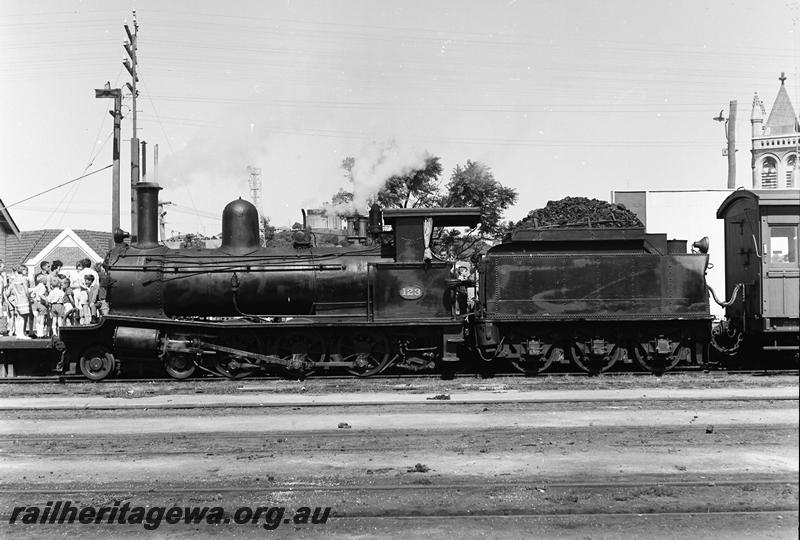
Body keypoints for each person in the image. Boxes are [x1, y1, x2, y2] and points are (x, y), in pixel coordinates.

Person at [7, 266, 32, 339]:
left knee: (18, 318)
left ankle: (18, 334)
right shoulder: (23, 279)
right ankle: (21, 334)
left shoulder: (14, 280)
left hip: (17, 300)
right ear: (22, 270)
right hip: (23, 299)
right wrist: (30, 297)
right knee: (23, 317)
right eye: (26, 270)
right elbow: (26, 291)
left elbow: (11, 290)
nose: (27, 272)